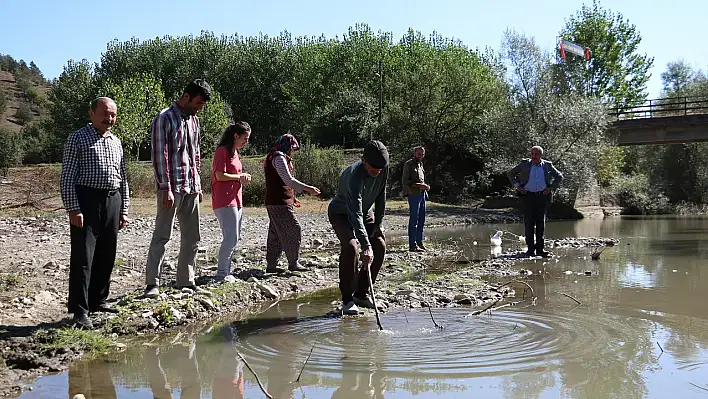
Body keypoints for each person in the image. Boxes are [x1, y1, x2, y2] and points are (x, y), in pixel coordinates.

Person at [60, 97, 129, 329]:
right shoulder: (77, 138)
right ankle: (80, 311)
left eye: (113, 115)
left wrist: (124, 209)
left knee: (107, 254)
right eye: (105, 113)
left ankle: (99, 300)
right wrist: (73, 208)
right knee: (83, 257)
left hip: (112, 200)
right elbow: (67, 177)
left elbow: (123, 178)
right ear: (91, 113)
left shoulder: (116, 141)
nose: (109, 119)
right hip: (86, 201)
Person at [144, 79, 212, 298]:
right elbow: (159, 156)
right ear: (186, 97)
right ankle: (152, 284)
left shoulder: (194, 121)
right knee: (162, 235)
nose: (200, 108)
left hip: (191, 186)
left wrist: (199, 184)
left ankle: (186, 281)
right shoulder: (164, 118)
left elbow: (196, 154)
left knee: (193, 237)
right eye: (199, 102)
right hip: (171, 187)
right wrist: (166, 188)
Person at [328, 140, 389, 316]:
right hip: (342, 212)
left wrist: (378, 225)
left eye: (379, 171)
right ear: (363, 161)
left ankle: (361, 294)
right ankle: (347, 299)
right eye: (372, 170)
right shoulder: (354, 176)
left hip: (365, 211)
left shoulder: (383, 168)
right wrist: (365, 245)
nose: (376, 173)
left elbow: (381, 197)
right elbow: (354, 214)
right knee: (351, 247)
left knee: (379, 244)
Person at [263, 133, 321, 273]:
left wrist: (293, 198)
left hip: (278, 201)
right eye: (292, 148)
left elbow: (284, 182)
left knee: (275, 233)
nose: (292, 151)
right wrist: (308, 189)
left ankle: (272, 265)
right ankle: (293, 262)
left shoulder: (279, 157)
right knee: (294, 229)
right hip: (278, 202)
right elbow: (289, 180)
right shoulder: (278, 157)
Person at [211, 122, 252, 283]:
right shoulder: (222, 151)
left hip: (236, 199)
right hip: (224, 200)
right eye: (245, 138)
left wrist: (241, 178)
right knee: (230, 237)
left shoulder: (235, 152)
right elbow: (219, 175)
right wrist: (239, 177)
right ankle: (222, 273)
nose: (246, 142)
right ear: (236, 135)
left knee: (234, 237)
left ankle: (227, 271)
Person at [506, 145, 564, 258]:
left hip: (542, 197)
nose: (533, 156)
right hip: (527, 196)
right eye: (532, 154)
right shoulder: (524, 164)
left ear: (541, 155)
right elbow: (510, 173)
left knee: (540, 224)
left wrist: (551, 188)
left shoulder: (547, 165)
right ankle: (530, 250)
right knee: (529, 223)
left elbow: (559, 177)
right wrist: (517, 186)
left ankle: (540, 250)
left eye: (536, 154)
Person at [401, 145, 430, 252]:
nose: (421, 156)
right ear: (414, 153)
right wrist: (420, 186)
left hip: (422, 195)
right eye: (419, 154)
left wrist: (425, 186)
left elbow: (421, 179)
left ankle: (420, 243)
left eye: (422, 154)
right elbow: (405, 181)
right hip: (413, 195)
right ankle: (412, 245)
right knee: (414, 220)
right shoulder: (408, 164)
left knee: (422, 220)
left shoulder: (421, 164)